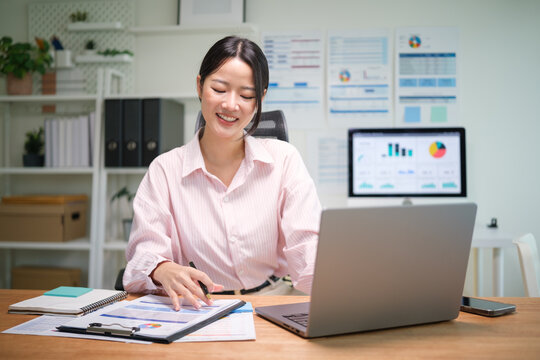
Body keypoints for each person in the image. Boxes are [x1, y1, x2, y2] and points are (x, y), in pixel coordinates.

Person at [124, 36, 321, 311]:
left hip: (273, 302)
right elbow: (140, 260)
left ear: (260, 99)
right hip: (198, 307)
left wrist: (346, 285)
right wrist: (161, 268)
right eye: (219, 89)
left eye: (246, 95)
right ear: (199, 86)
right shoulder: (165, 170)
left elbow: (307, 250)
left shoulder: (284, 160)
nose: (231, 105)